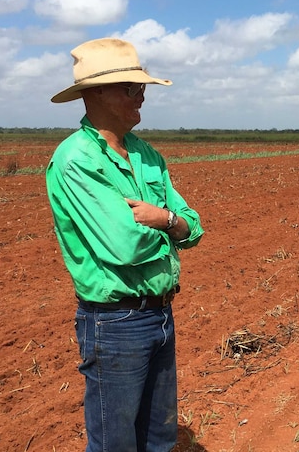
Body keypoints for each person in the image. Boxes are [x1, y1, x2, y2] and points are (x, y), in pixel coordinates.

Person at [46, 37, 204, 452]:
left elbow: (194, 226)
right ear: (97, 92)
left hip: (162, 314)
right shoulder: (77, 159)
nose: (142, 98)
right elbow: (125, 245)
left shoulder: (147, 154)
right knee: (115, 444)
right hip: (115, 324)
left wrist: (164, 219)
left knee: (160, 440)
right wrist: (172, 228)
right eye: (133, 89)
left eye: (143, 89)